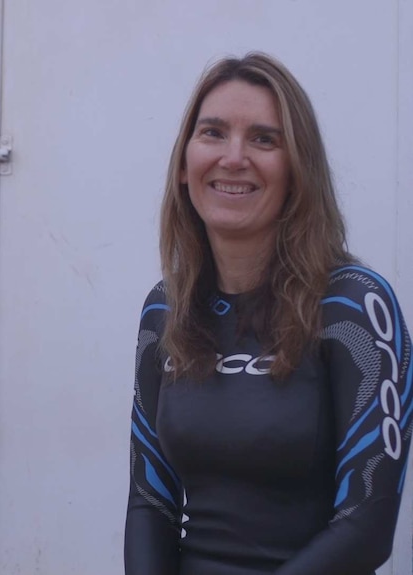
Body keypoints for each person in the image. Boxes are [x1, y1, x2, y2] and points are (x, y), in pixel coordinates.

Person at [124, 53, 411, 575]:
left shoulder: (354, 307)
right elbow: (150, 503)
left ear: (299, 171)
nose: (234, 157)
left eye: (263, 139)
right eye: (212, 133)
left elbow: (366, 529)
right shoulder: (165, 309)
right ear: (186, 168)